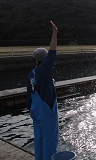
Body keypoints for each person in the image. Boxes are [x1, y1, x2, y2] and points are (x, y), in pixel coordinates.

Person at [26, 21, 59, 160]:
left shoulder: (32, 74)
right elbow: (52, 55)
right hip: (46, 113)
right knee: (50, 140)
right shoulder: (43, 72)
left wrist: (32, 111)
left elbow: (29, 97)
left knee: (39, 139)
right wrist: (54, 34)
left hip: (36, 112)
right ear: (43, 60)